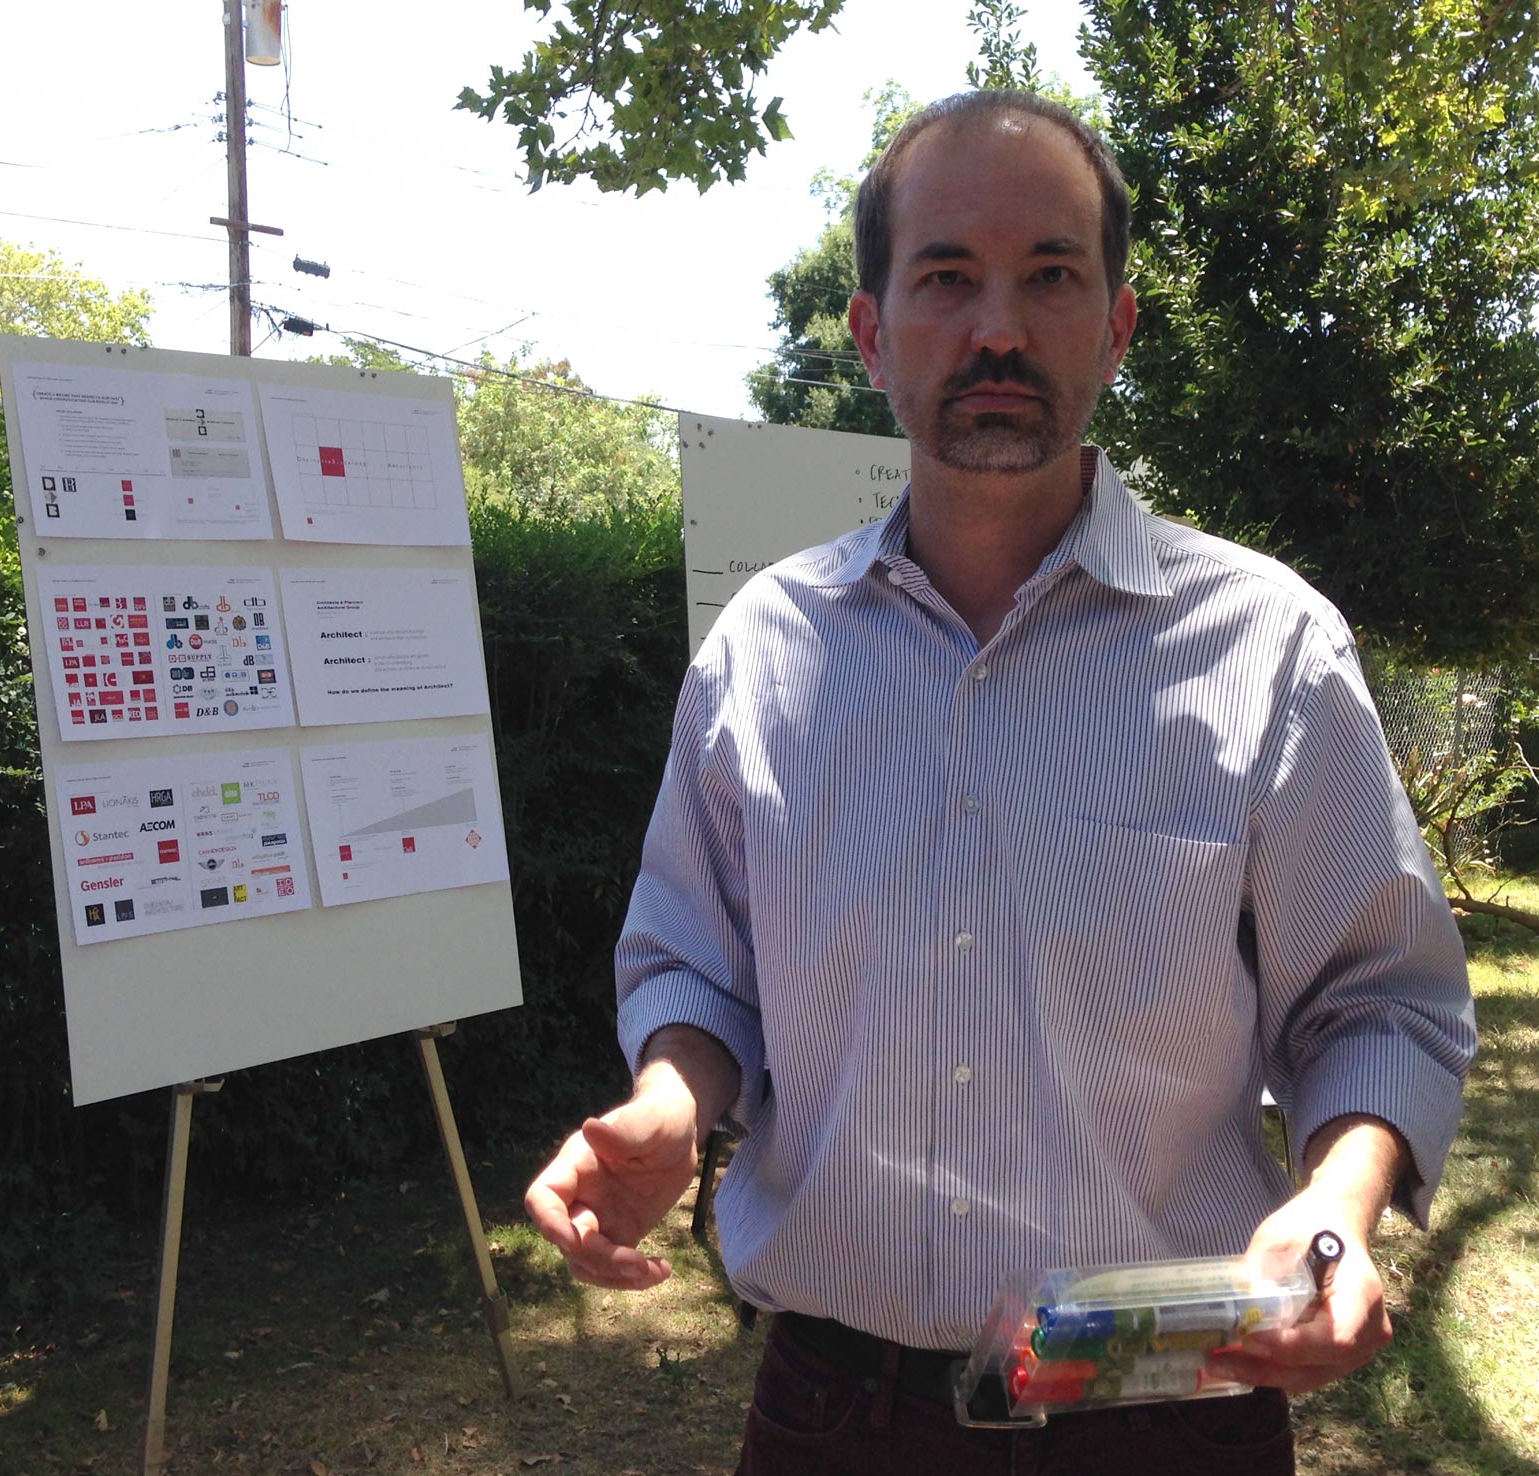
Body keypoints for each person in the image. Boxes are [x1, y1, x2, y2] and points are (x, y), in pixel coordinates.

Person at [525, 89, 1477, 1474]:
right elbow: (698, 971)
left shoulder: (1270, 648)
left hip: (1170, 1407)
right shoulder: (764, 656)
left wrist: (1338, 1200)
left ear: (1118, 325)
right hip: (835, 1415)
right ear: (871, 334)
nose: (997, 330)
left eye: (1050, 277)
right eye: (947, 278)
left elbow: (1379, 998)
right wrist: (674, 1103)